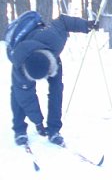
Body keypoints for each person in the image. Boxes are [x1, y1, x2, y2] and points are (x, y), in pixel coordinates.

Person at [8, 14, 97, 147]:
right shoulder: (19, 66)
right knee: (19, 93)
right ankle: (19, 129)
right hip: (25, 54)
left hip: (45, 47)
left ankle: (54, 130)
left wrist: (86, 25)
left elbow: (63, 21)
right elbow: (27, 99)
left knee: (57, 89)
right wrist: (38, 122)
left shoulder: (54, 38)